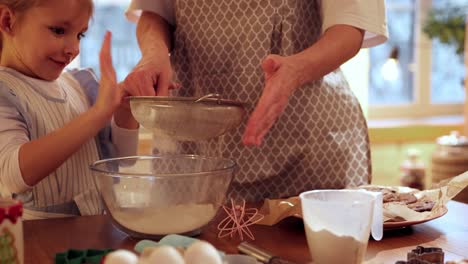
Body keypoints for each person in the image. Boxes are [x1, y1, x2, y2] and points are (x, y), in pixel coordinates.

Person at [125, 0, 388, 201]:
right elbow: (154, 12)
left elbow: (350, 27)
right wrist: (154, 53)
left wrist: (295, 70)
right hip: (190, 144)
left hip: (306, 149)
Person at [0, 0, 141, 219]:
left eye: (80, 35)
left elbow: (124, 159)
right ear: (8, 22)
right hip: (40, 242)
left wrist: (125, 110)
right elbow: (14, 175)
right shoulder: (6, 91)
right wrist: (97, 115)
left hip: (95, 232)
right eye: (58, 31)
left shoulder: (80, 86)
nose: (73, 49)